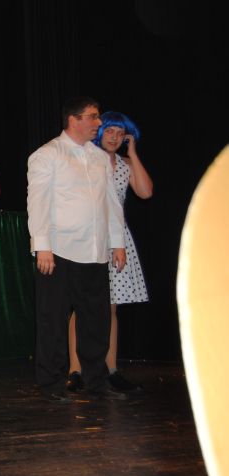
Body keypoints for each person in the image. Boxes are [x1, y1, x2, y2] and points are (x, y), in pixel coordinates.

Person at [27, 96, 127, 402]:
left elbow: (111, 203)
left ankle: (97, 381)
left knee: (96, 320)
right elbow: (38, 202)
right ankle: (51, 383)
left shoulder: (99, 158)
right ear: (74, 120)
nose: (99, 123)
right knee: (54, 320)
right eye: (93, 116)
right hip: (59, 252)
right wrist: (42, 246)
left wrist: (117, 243)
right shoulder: (48, 154)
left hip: (95, 251)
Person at [66, 111, 153, 393]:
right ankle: (75, 370)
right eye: (110, 131)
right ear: (100, 132)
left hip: (117, 239)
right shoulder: (88, 160)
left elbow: (145, 192)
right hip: (89, 236)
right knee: (81, 306)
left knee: (111, 307)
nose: (114, 137)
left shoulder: (125, 165)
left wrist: (133, 153)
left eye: (120, 133)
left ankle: (111, 369)